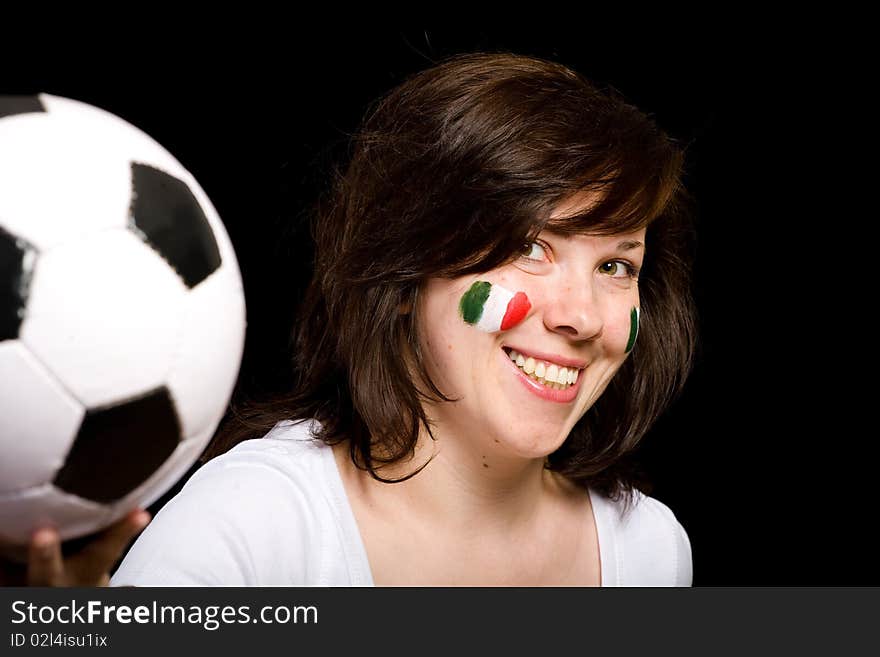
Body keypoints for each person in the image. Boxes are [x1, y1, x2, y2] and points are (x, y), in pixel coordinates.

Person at [5, 51, 697, 586]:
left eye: (616, 266)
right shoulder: (252, 526)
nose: (581, 317)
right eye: (530, 248)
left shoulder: (648, 552)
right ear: (404, 274)